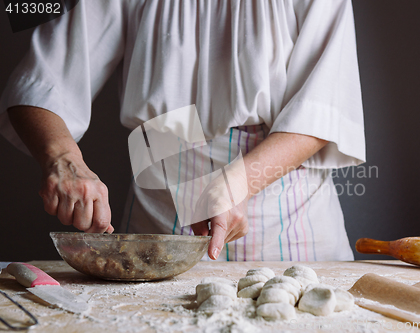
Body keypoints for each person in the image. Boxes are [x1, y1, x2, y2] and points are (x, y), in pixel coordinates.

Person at [0, 0, 365, 261]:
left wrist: (236, 183)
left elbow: (321, 109)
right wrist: (65, 161)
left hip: (284, 208)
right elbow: (40, 83)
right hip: (158, 205)